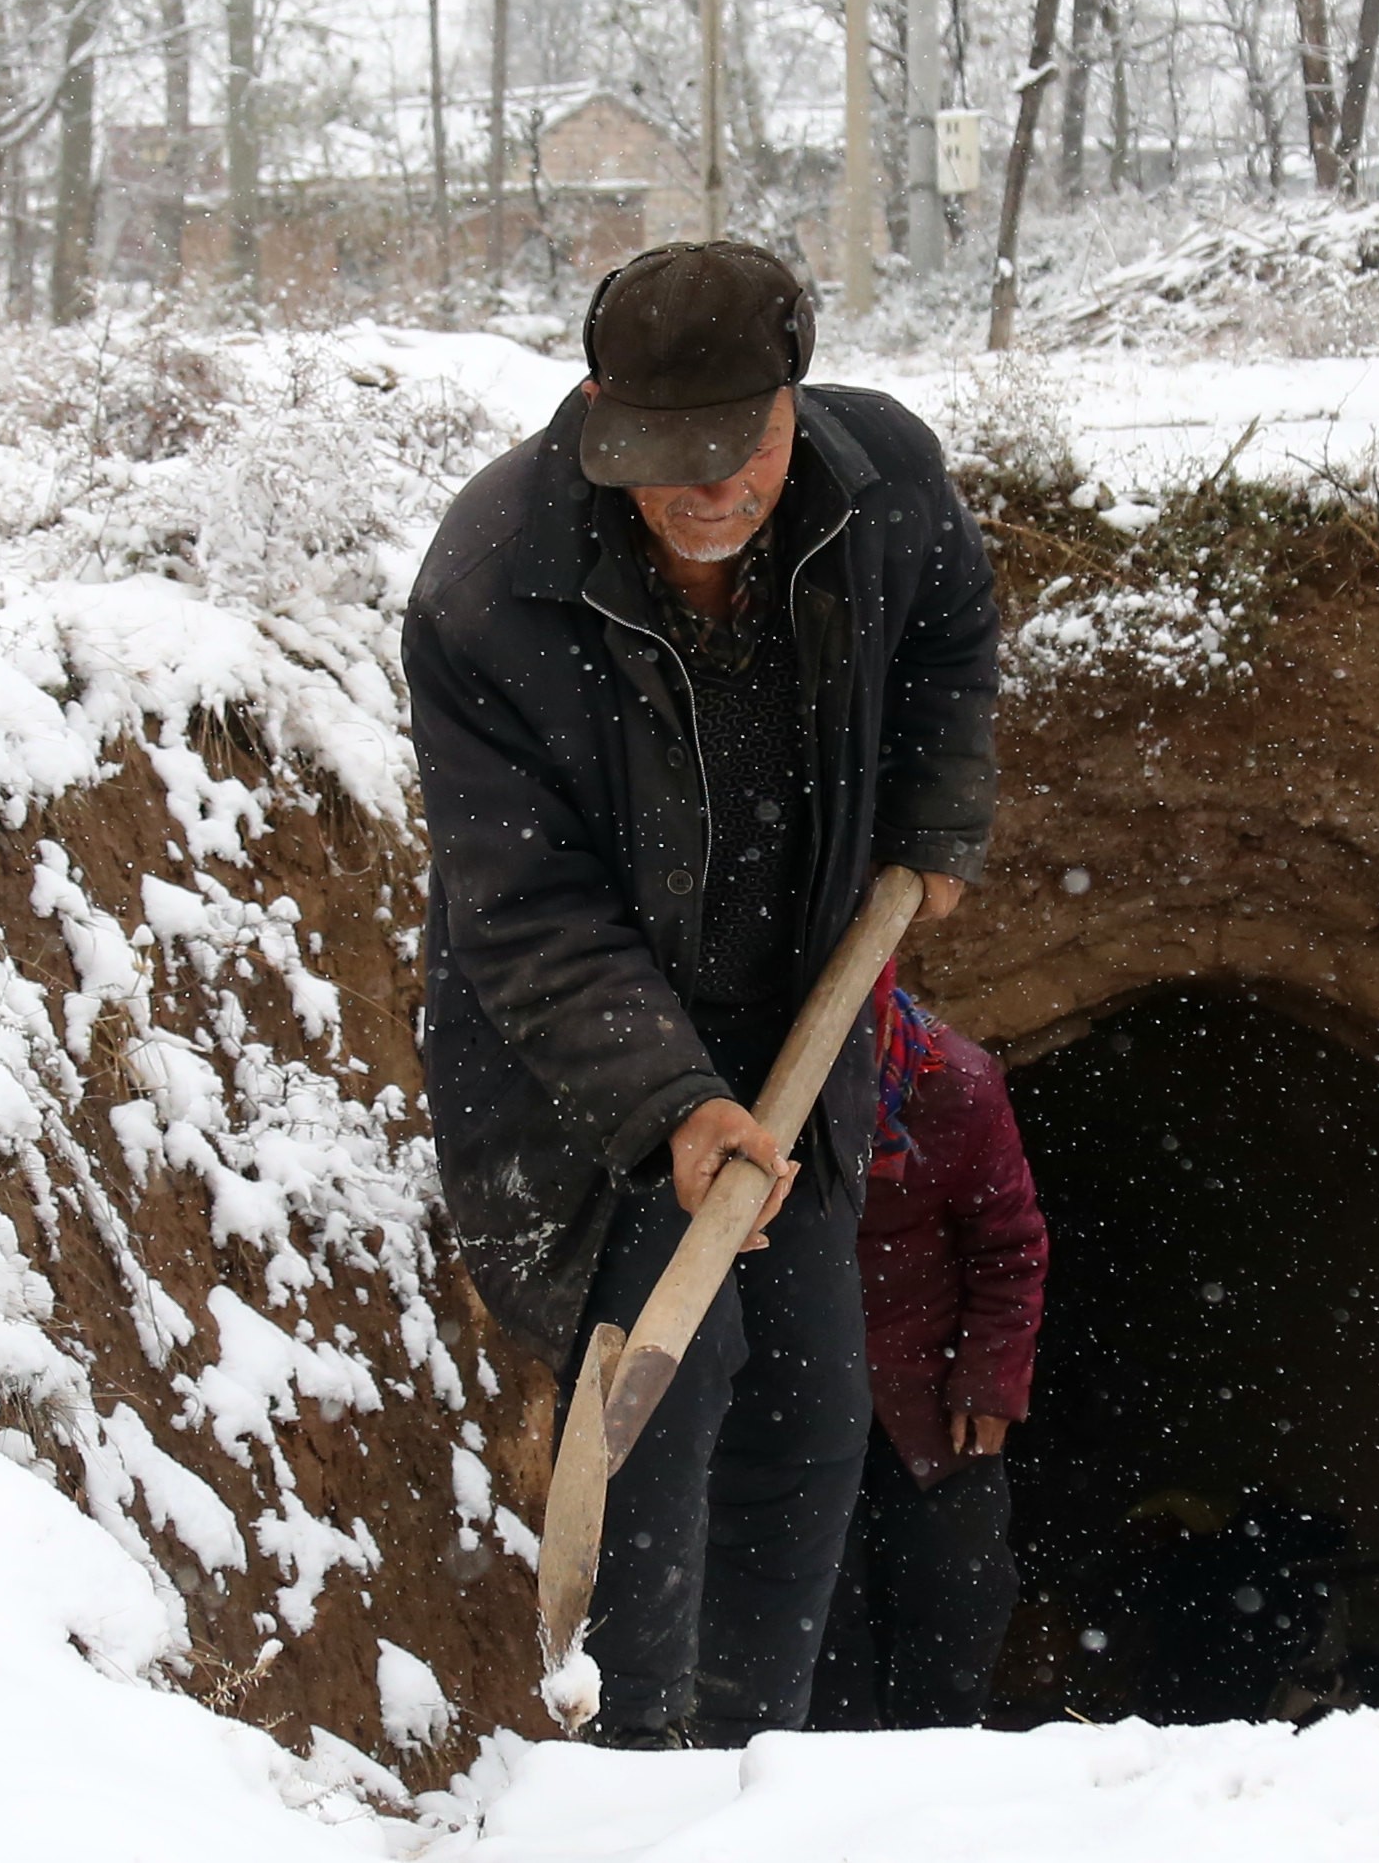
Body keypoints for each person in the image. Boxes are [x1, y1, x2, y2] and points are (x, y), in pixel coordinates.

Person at [403, 239, 998, 1747]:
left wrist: (934, 820)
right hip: (584, 1055)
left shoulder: (886, 484)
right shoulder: (495, 587)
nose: (707, 490)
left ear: (795, 404)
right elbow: (525, 904)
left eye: (738, 447)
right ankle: (637, 1765)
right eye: (665, 456)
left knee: (809, 1399)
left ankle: (755, 1765)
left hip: (796, 1008)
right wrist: (669, 1097)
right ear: (601, 408)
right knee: (664, 1396)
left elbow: (947, 636)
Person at [813, 970, 1048, 1729]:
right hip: (798, 1384)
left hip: (927, 1391)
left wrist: (987, 1381)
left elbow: (1009, 1246)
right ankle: (816, 1789)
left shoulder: (957, 1085)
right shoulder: (760, 1088)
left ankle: (934, 1777)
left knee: (960, 1595)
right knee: (817, 1608)